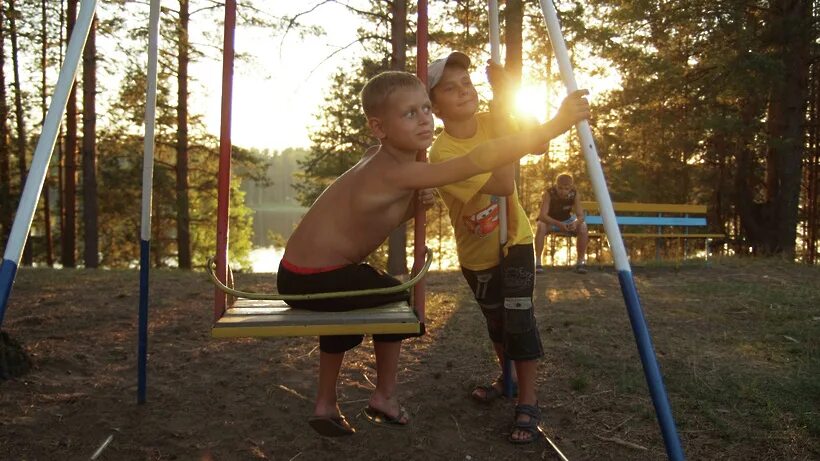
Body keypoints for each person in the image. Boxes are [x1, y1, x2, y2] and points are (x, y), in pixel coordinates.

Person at [277, 70, 590, 438]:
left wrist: (411, 209)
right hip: (318, 276)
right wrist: (557, 123)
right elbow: (478, 159)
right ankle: (384, 397)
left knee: (363, 297)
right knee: (396, 302)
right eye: (410, 114)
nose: (424, 118)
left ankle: (326, 404)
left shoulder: (377, 160)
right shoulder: (398, 171)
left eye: (425, 109)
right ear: (379, 127)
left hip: (300, 273)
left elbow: (365, 220)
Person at [427, 51, 590, 444]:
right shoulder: (442, 153)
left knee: (520, 319)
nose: (464, 90)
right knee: (496, 324)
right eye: (451, 88)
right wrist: (509, 134)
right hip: (476, 255)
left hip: (515, 241)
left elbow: (533, 144)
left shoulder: (492, 120)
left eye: (466, 82)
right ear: (435, 106)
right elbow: (501, 184)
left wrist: (507, 93)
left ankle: (528, 402)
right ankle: (507, 378)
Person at [534, 173, 590, 274]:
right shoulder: (549, 193)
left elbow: (581, 216)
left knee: (583, 226)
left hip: (567, 221)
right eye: (560, 188)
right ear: (556, 186)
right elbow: (542, 216)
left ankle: (580, 262)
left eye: (566, 188)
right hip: (550, 221)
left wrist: (576, 223)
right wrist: (558, 224)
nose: (563, 191)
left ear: (571, 187)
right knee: (541, 226)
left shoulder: (575, 194)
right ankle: (538, 262)